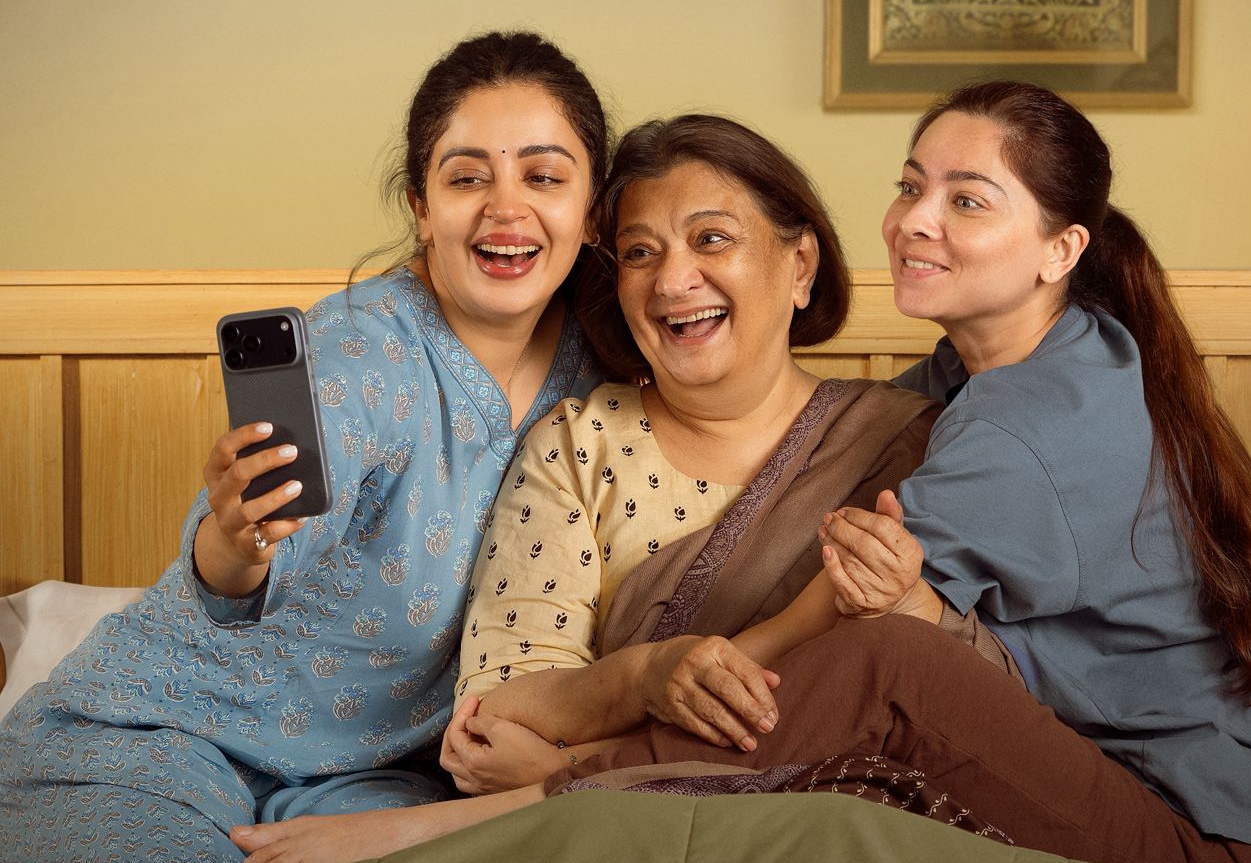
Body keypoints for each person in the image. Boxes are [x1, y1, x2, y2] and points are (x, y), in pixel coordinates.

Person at [537, 80, 1251, 863]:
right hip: (1118, 779)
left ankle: (548, 803)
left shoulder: (1021, 421)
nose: (914, 219)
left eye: (966, 201)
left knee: (886, 662)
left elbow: (812, 640)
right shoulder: (1010, 361)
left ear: (1060, 250)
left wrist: (579, 749)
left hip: (1195, 829)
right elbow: (837, 441)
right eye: (911, 187)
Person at [225, 115, 941, 862]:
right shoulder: (581, 444)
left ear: (800, 265)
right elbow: (497, 715)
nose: (672, 280)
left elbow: (919, 694)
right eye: (639, 253)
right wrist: (645, 676)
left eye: (711, 239)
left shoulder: (900, 441)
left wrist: (571, 768)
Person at [0, 30, 607, 860]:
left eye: (543, 177)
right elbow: (248, 554)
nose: (506, 208)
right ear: (421, 208)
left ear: (592, 209)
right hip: (155, 732)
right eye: (467, 178)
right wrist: (237, 540)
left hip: (377, 780)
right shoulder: (356, 350)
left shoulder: (609, 369)